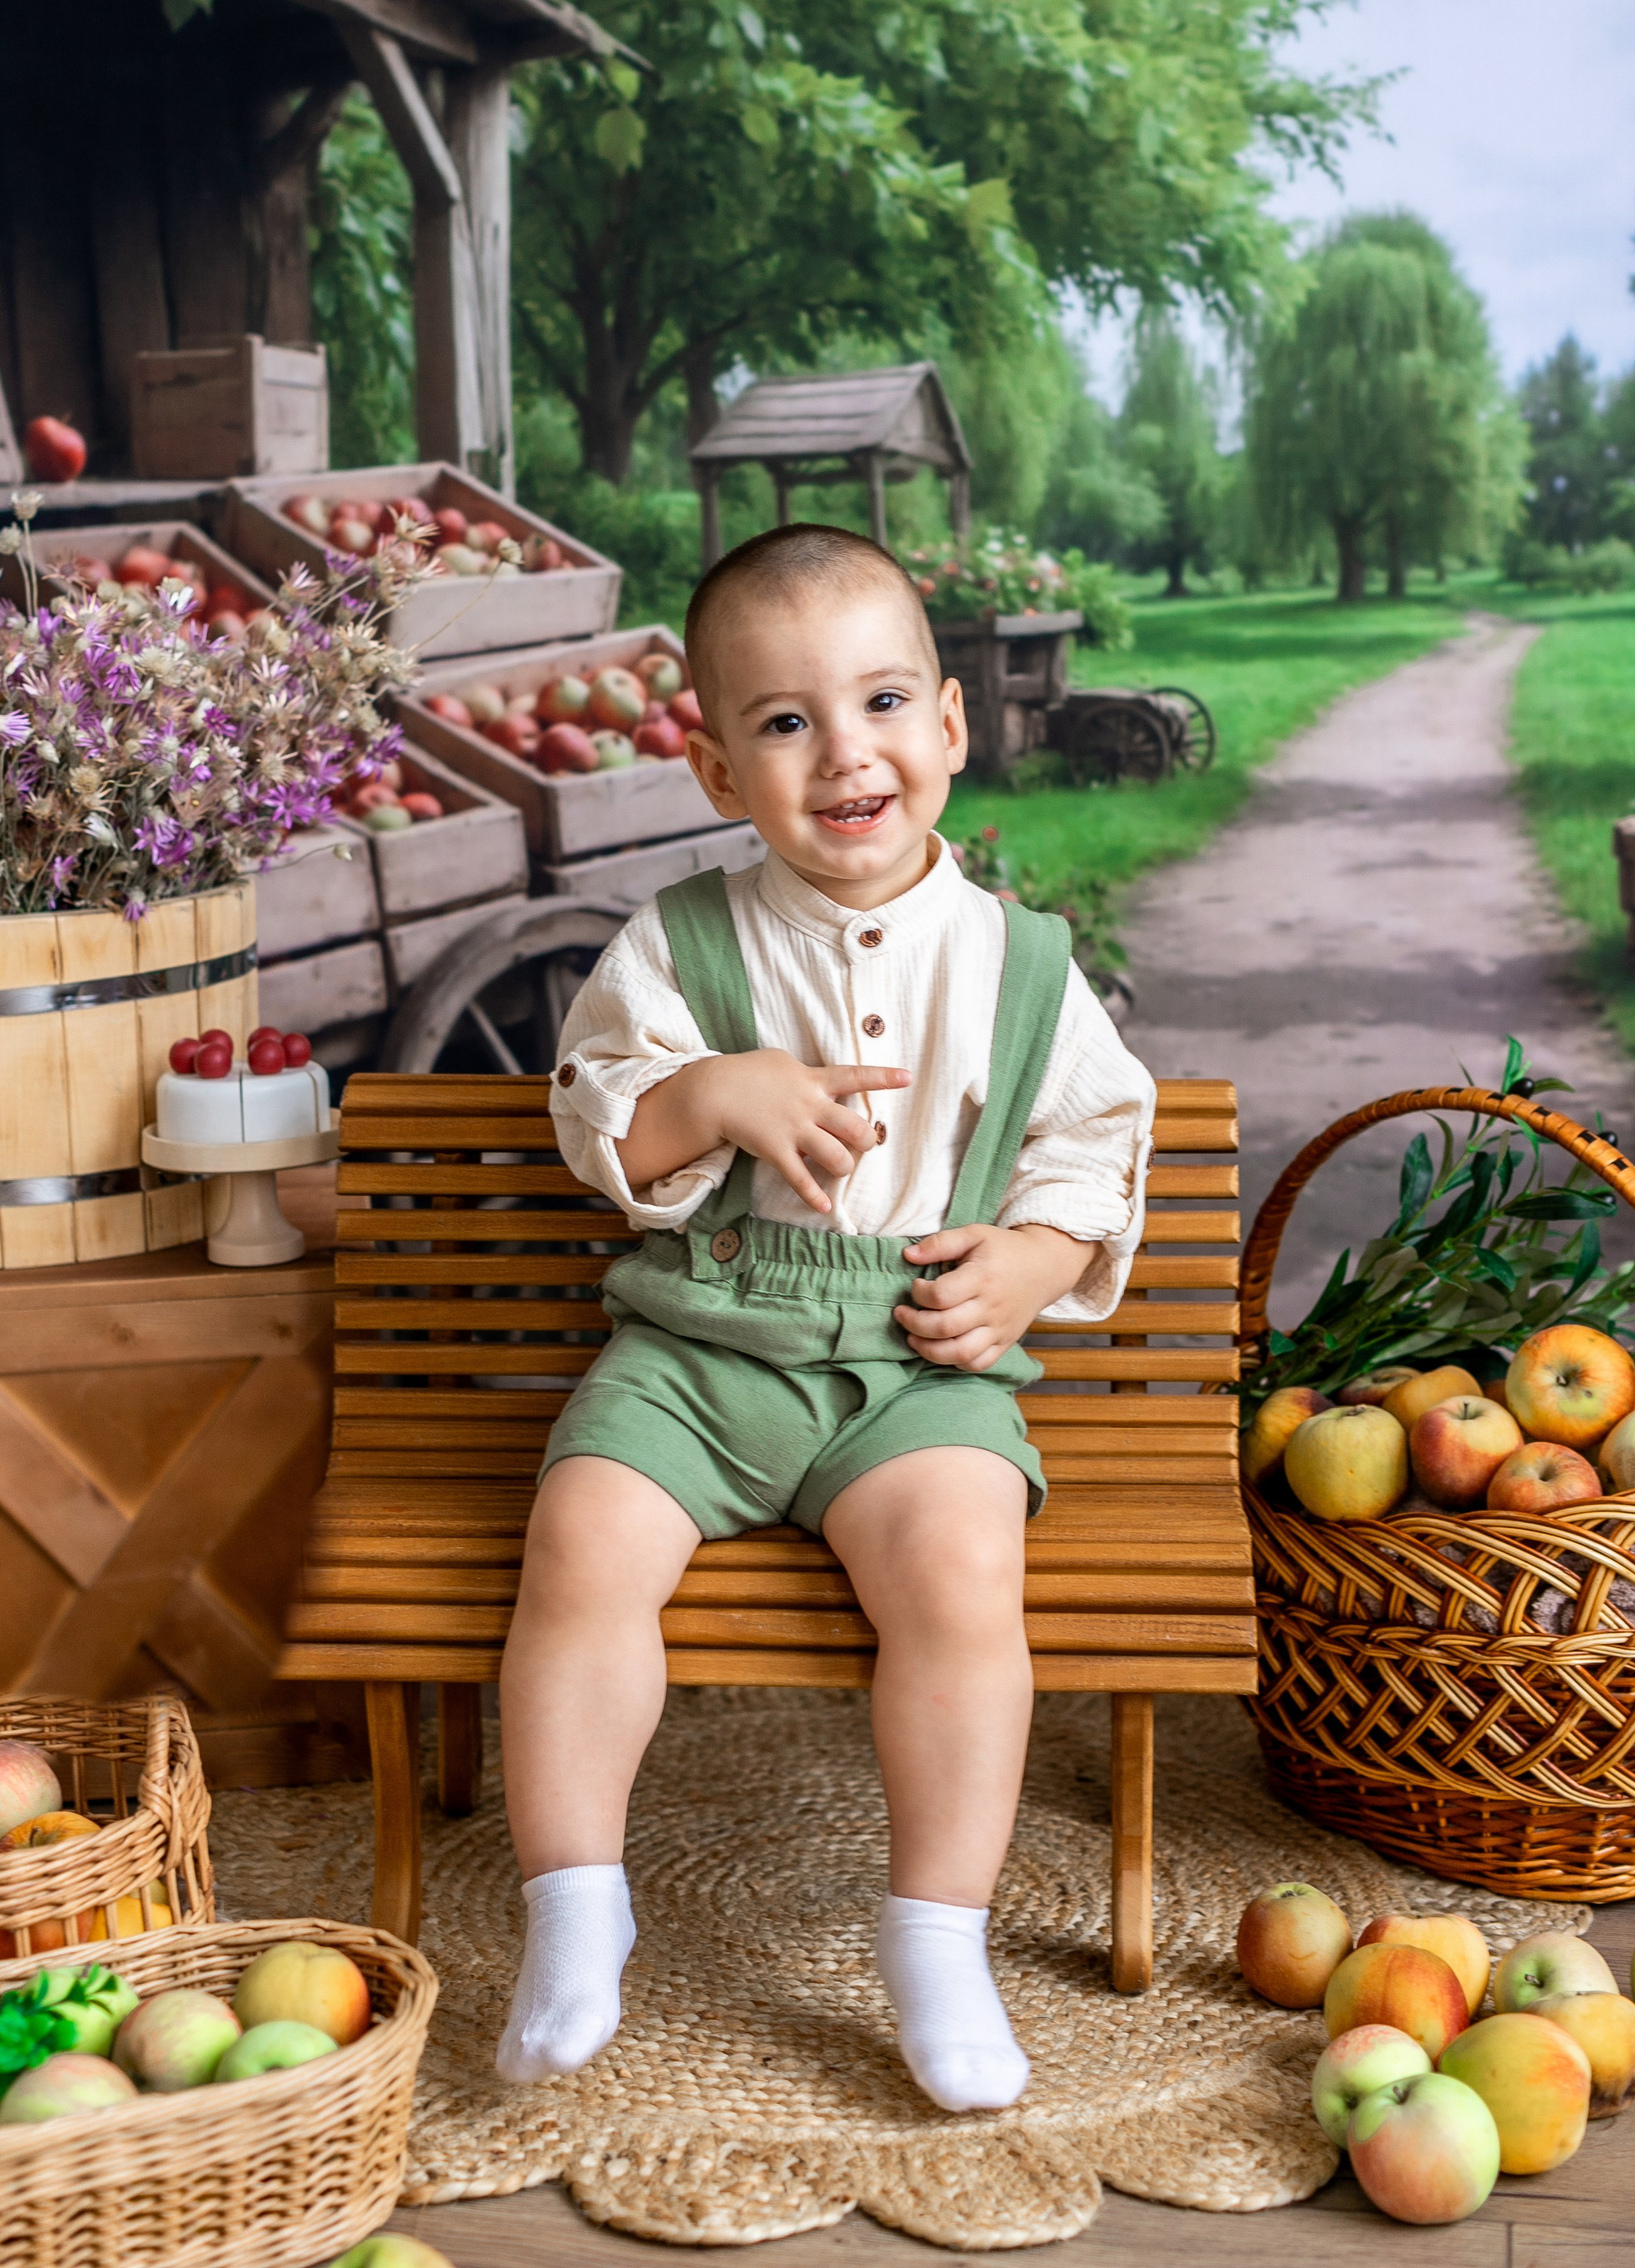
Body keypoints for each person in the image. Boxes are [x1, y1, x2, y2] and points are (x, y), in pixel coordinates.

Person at [495, 522, 1154, 2113]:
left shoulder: (1019, 962)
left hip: (912, 1355)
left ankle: (935, 1936)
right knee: (578, 1544)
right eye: (783, 722)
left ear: (946, 728)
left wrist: (1038, 1260)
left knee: (958, 1569)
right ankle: (575, 1913)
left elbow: (1097, 1131)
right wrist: (704, 1093)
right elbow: (602, 1124)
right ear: (722, 772)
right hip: (699, 1348)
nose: (838, 751)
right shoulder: (680, 944)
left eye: (875, 705)